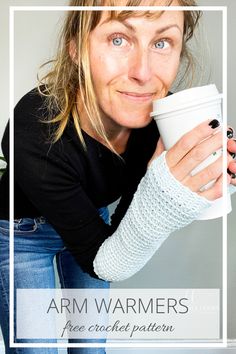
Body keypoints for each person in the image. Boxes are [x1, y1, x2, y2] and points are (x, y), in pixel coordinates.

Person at [0, 0, 236, 353]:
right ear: (77, 49)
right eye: (118, 39)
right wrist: (163, 193)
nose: (143, 73)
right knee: (38, 349)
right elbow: (111, 259)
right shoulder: (32, 129)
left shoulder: (165, 123)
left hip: (92, 223)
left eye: (161, 42)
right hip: (22, 234)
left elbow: (116, 241)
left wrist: (184, 182)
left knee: (92, 347)